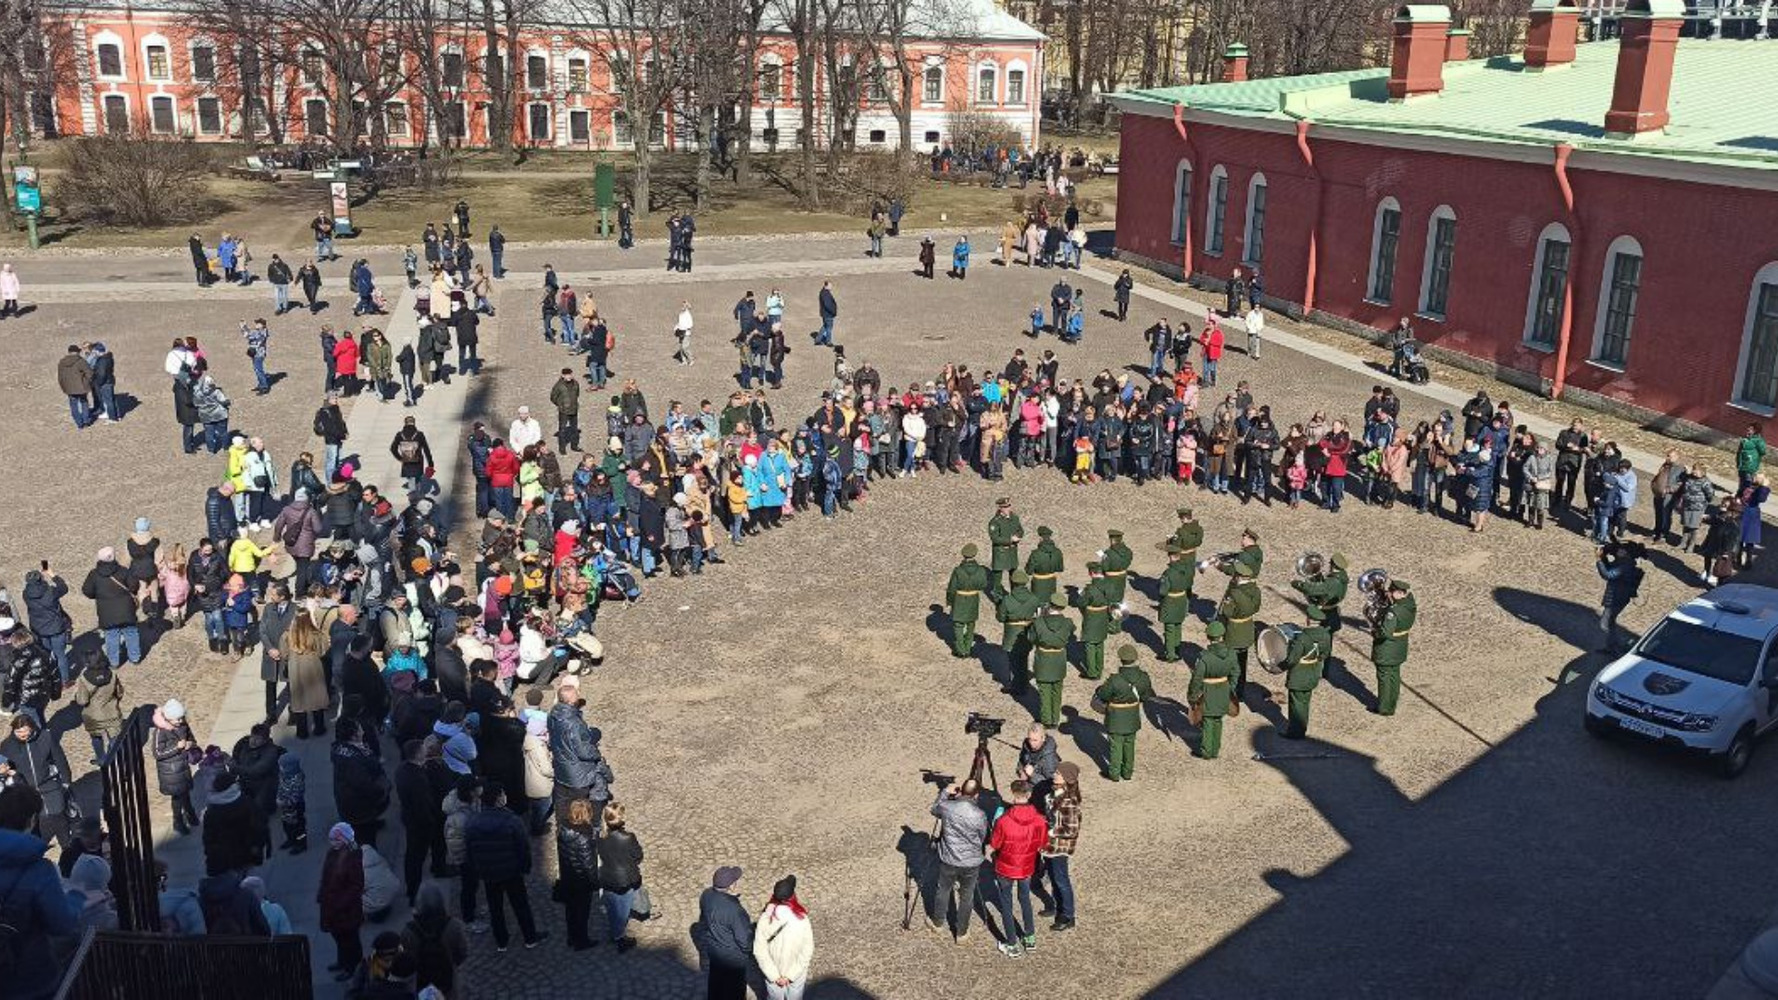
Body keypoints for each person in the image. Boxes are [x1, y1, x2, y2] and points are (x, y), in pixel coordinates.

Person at [0, 785, 79, 999]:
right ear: (32, 820)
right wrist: (76, 899)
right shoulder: (38, 869)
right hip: (31, 978)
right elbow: (62, 925)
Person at [464, 782, 545, 952]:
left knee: (495, 908)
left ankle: (501, 941)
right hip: (512, 872)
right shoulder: (511, 820)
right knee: (520, 905)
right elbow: (523, 847)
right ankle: (530, 937)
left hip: (489, 873)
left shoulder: (473, 823)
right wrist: (525, 867)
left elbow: (470, 850)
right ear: (499, 799)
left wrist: (477, 869)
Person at [986, 779, 1045, 958]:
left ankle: (1011, 943)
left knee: (1006, 902)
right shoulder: (1039, 820)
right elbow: (1042, 843)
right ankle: (1030, 937)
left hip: (1005, 867)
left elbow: (995, 843)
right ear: (1028, 794)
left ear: (1013, 794)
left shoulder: (1003, 820)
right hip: (1026, 866)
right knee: (1025, 899)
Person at [0, 709, 72, 847]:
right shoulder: (6, 747)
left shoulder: (46, 738)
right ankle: (36, 847)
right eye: (18, 732)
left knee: (58, 813)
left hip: (49, 784)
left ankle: (67, 846)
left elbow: (60, 759)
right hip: (26, 789)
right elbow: (4, 770)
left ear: (32, 728)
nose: (22, 735)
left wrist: (66, 781)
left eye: (25, 731)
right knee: (37, 821)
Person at [1094, 646, 1153, 781]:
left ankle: (1114, 774)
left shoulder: (1115, 680)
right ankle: (1127, 773)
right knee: (1130, 744)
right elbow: (1145, 696)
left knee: (1115, 746)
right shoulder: (1143, 677)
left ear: (1121, 660)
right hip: (1132, 716)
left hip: (1116, 717)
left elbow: (1103, 694)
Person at [402, 882, 469, 999]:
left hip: (420, 984)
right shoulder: (454, 926)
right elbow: (462, 952)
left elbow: (405, 959)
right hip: (448, 983)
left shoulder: (408, 932)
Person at [319, 823, 367, 981]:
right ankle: (342, 962)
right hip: (332, 906)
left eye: (336, 839)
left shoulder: (352, 858)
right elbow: (326, 875)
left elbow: (356, 886)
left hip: (346, 910)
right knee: (339, 937)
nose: (332, 842)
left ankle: (353, 967)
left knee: (350, 940)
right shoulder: (333, 853)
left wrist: (341, 904)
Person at [754, 874, 814, 1000]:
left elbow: (759, 951)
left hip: (773, 972)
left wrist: (774, 976)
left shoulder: (765, 919)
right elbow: (807, 950)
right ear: (793, 896)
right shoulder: (802, 919)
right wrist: (790, 976)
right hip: (796, 972)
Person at [698, 866, 754, 1000]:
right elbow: (744, 939)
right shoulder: (734, 910)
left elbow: (704, 920)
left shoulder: (706, 895)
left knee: (716, 986)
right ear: (732, 886)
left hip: (714, 952)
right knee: (735, 992)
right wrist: (749, 950)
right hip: (733, 959)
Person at [1039, 760, 1080, 930]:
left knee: (1061, 880)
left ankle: (1068, 915)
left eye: (1058, 773)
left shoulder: (1069, 802)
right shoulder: (1054, 794)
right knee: (1055, 879)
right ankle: (1057, 907)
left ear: (1067, 779)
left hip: (1059, 848)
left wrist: (1050, 831)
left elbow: (1071, 830)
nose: (1054, 774)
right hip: (1050, 847)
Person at [1189, 621, 1238, 758]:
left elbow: (1197, 679)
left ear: (1209, 637)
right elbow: (1236, 672)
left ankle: (1206, 751)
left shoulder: (1204, 657)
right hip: (1223, 689)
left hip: (1208, 690)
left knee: (1208, 720)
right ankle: (1215, 749)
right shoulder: (1231, 654)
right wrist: (1230, 688)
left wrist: (1192, 696)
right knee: (1218, 719)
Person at [1371, 580, 1415, 715]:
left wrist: (1374, 631)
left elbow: (1385, 632)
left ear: (1398, 593)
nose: (1388, 593)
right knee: (1394, 676)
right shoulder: (1410, 605)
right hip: (1400, 646)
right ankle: (1392, 705)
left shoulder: (1393, 612)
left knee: (1384, 677)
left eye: (1391, 592)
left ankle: (1384, 708)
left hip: (1387, 649)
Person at [1597, 544, 1646, 654]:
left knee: (1605, 624)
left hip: (1617, 597)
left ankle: (1615, 648)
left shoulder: (1624, 566)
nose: (1618, 550)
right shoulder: (1624, 562)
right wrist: (1603, 558)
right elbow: (1610, 568)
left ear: (1626, 553)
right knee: (1611, 622)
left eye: (1621, 549)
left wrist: (1599, 561)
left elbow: (1608, 575)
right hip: (1619, 596)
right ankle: (1611, 647)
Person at [944, 544, 988, 658]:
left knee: (958, 624)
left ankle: (961, 649)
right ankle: (968, 648)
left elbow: (952, 588)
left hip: (959, 599)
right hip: (973, 598)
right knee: (971, 624)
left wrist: (949, 600)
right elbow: (983, 584)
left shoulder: (958, 571)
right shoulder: (980, 570)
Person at [57, 344, 93, 429]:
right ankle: (86, 421)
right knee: (84, 403)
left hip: (69, 388)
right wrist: (87, 382)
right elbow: (90, 373)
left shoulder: (62, 362)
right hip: (82, 387)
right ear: (77, 352)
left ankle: (79, 423)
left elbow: (60, 377)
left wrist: (64, 387)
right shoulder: (81, 361)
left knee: (74, 406)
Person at [1739, 423, 1768, 489]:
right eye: (1748, 428)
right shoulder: (1745, 439)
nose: (1748, 429)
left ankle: (1745, 495)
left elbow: (1763, 451)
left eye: (1751, 429)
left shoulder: (1758, 440)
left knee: (1748, 482)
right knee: (1742, 481)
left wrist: (1751, 457)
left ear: (1756, 431)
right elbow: (1740, 452)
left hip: (1750, 465)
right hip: (1742, 464)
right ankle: (1740, 494)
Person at [815, 281, 838, 346]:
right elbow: (828, 305)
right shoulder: (826, 294)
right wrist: (833, 312)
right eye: (830, 285)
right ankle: (828, 342)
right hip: (828, 314)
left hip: (825, 313)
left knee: (825, 326)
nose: (831, 287)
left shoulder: (824, 292)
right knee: (829, 328)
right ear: (826, 286)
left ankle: (818, 340)